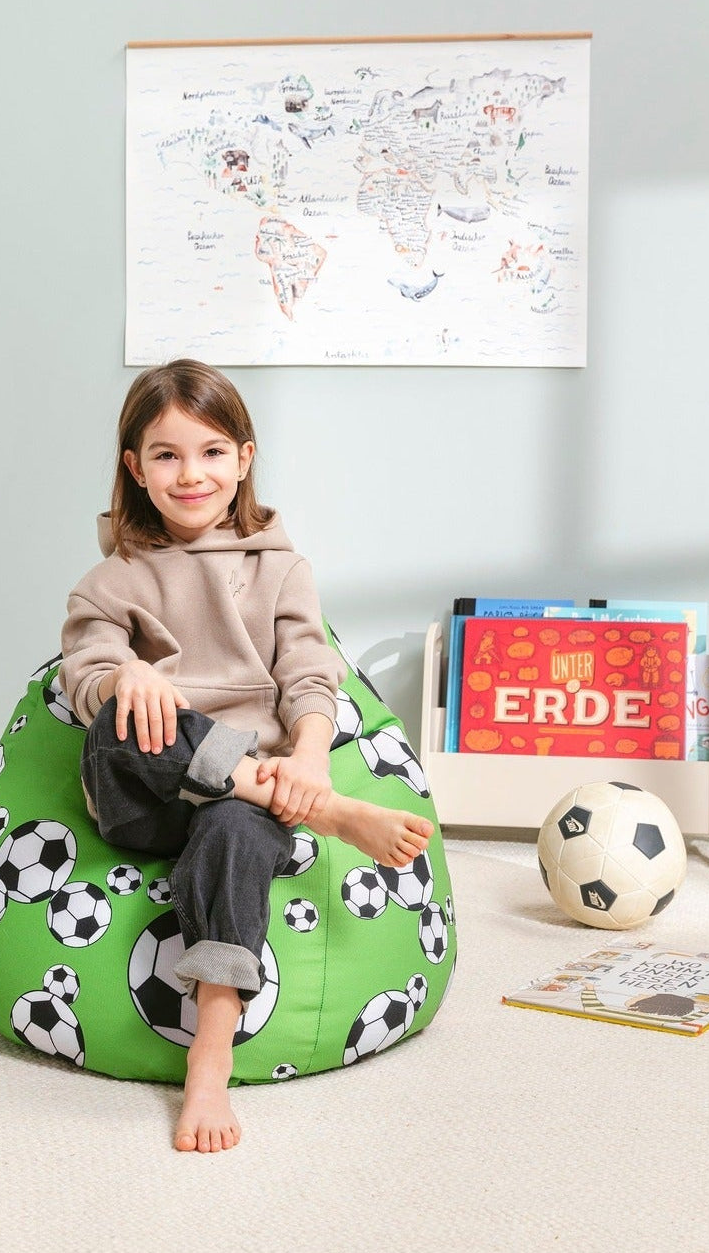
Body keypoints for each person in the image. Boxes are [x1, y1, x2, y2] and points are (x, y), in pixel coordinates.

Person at [59, 358, 433, 1154]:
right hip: (150, 796)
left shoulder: (281, 568)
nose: (190, 474)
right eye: (166, 455)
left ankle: (209, 1061)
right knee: (126, 720)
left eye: (212, 452)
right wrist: (126, 675)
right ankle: (323, 818)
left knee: (234, 836)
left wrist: (310, 762)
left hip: (250, 798)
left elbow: (309, 674)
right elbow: (85, 677)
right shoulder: (110, 578)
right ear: (135, 468)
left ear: (244, 459)